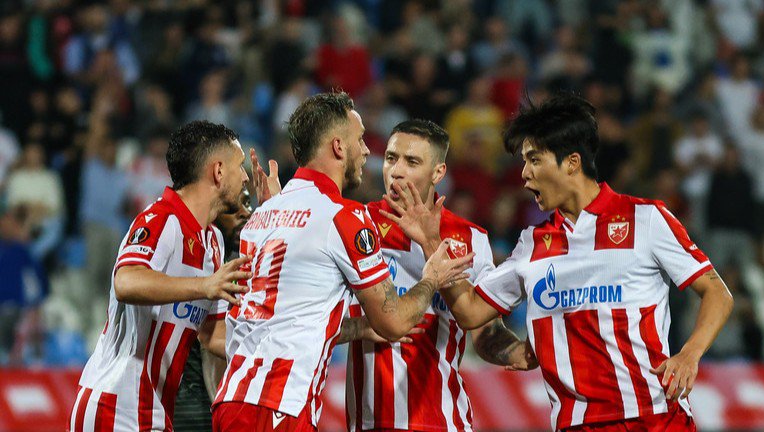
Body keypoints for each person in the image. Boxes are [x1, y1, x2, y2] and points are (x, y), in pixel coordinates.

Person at [385, 94, 734, 431]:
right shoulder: (532, 245)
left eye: (534, 160)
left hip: (655, 417)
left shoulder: (646, 219)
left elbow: (717, 293)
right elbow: (471, 312)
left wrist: (690, 354)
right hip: (576, 424)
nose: (524, 174)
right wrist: (430, 241)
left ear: (572, 162)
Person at [211, 92, 473, 432]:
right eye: (360, 140)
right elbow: (394, 322)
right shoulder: (344, 216)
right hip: (279, 404)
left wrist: (360, 327)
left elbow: (281, 319)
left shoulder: (261, 216)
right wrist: (432, 277)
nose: (365, 151)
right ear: (338, 147)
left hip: (233, 399)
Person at [341, 119, 537, 431]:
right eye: (391, 158)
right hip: (372, 423)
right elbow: (316, 324)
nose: (397, 171)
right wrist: (359, 328)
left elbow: (486, 334)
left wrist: (519, 351)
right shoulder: (355, 225)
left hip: (446, 421)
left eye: (412, 162)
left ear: (438, 173)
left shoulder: (472, 239)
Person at [68, 120, 256, 432]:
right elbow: (126, 282)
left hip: (153, 412)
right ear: (218, 171)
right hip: (114, 407)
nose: (246, 176)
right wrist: (203, 285)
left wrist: (276, 345)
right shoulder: (161, 219)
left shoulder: (213, 242)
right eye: (240, 166)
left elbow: (213, 336)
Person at [174, 188, 253, 432]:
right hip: (195, 407)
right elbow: (212, 348)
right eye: (235, 206)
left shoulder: (230, 263)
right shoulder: (208, 263)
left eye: (248, 203)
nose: (245, 213)